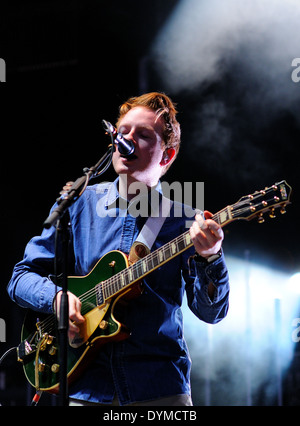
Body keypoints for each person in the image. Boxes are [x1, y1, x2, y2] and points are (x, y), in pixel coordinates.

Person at [7, 92, 230, 406]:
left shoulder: (186, 222)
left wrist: (211, 257)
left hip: (159, 390)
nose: (128, 140)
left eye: (143, 135)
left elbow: (211, 313)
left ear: (167, 155)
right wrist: (57, 298)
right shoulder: (78, 203)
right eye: (122, 132)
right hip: (86, 388)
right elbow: (20, 277)